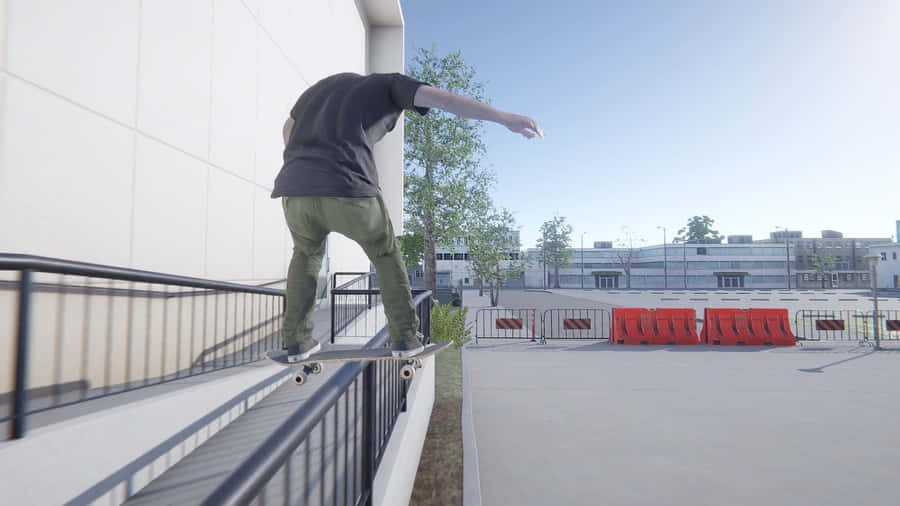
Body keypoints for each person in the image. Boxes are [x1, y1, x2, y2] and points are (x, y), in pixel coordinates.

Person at [273, 72, 543, 362]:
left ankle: (296, 341)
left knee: (305, 256)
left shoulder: (319, 90)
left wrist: (302, 162)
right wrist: (503, 118)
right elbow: (445, 100)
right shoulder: (390, 84)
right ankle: (405, 338)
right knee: (385, 253)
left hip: (295, 191)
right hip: (348, 187)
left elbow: (288, 128)